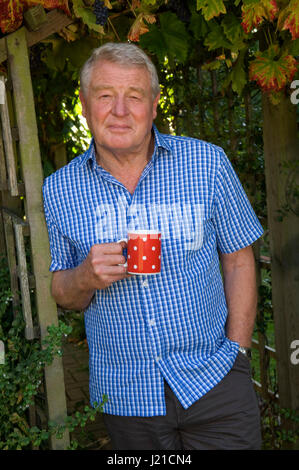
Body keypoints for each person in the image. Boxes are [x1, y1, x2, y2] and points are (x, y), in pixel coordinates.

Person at [42, 42, 264, 450]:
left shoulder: (207, 163)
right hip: (126, 396)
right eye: (106, 96)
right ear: (86, 103)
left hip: (215, 381)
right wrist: (85, 276)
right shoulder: (59, 189)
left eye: (135, 96)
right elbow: (61, 290)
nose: (120, 111)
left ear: (156, 103)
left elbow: (238, 259)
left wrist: (238, 353)